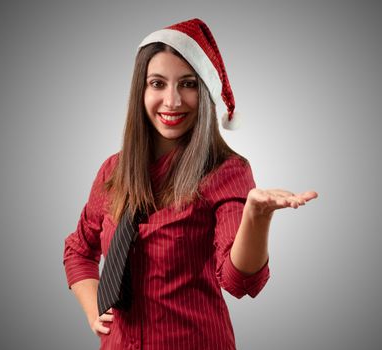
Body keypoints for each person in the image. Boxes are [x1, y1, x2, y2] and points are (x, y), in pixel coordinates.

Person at [63, 18, 318, 350]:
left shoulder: (227, 172)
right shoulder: (113, 170)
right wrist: (92, 309)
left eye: (188, 84)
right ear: (141, 90)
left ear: (206, 92)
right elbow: (79, 250)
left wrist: (257, 215)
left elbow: (240, 280)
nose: (172, 101)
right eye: (157, 83)